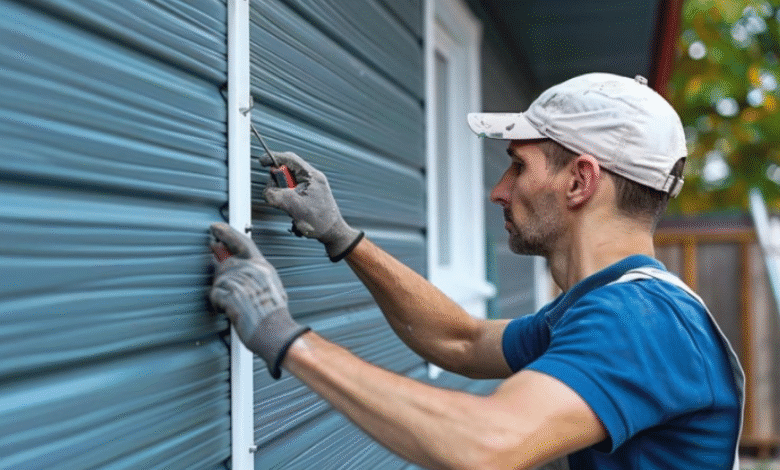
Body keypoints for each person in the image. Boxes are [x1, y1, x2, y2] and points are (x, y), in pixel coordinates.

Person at [209, 73, 744, 469]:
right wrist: (342, 237)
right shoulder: (605, 306)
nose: (499, 191)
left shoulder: (640, 321)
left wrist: (284, 337)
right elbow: (459, 341)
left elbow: (486, 443)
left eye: (518, 165)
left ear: (580, 181)